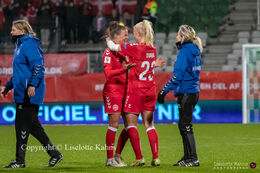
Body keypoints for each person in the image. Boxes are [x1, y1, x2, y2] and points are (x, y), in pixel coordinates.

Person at [1, 20, 62, 169]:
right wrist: (8, 86)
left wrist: (33, 84)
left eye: (14, 29)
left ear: (22, 31)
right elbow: (19, 73)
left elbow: (38, 66)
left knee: (21, 126)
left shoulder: (29, 44)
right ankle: (55, 154)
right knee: (33, 127)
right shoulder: (21, 45)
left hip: (29, 91)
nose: (11, 32)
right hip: (23, 90)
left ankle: (20, 161)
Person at [106, 20, 162, 166]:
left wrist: (107, 38)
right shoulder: (153, 49)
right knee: (150, 125)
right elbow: (148, 65)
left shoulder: (134, 47)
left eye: (133, 34)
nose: (130, 37)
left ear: (138, 33)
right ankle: (155, 157)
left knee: (131, 125)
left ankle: (139, 158)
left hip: (136, 91)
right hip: (151, 91)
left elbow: (112, 46)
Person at [157, 25, 202, 167]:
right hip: (193, 91)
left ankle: (193, 159)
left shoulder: (184, 51)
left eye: (178, 34)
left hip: (187, 92)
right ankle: (187, 157)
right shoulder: (196, 50)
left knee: (185, 125)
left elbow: (177, 76)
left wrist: (164, 91)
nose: (176, 37)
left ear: (183, 37)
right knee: (183, 125)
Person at [102, 21, 134, 167]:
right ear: (115, 36)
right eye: (124, 35)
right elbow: (108, 74)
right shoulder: (108, 52)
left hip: (127, 90)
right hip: (113, 91)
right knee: (114, 123)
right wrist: (123, 68)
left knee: (130, 125)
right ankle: (110, 159)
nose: (126, 38)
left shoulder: (124, 50)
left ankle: (118, 155)